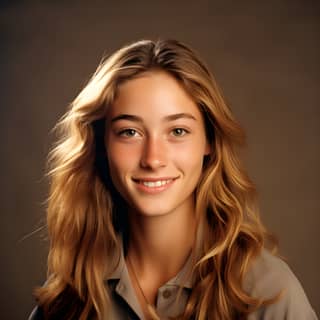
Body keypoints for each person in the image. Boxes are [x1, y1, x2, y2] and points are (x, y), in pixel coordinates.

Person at [29, 39, 317, 320]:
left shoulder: (269, 292)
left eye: (178, 131)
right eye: (130, 132)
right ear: (101, 143)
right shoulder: (69, 294)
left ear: (209, 141)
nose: (153, 159)